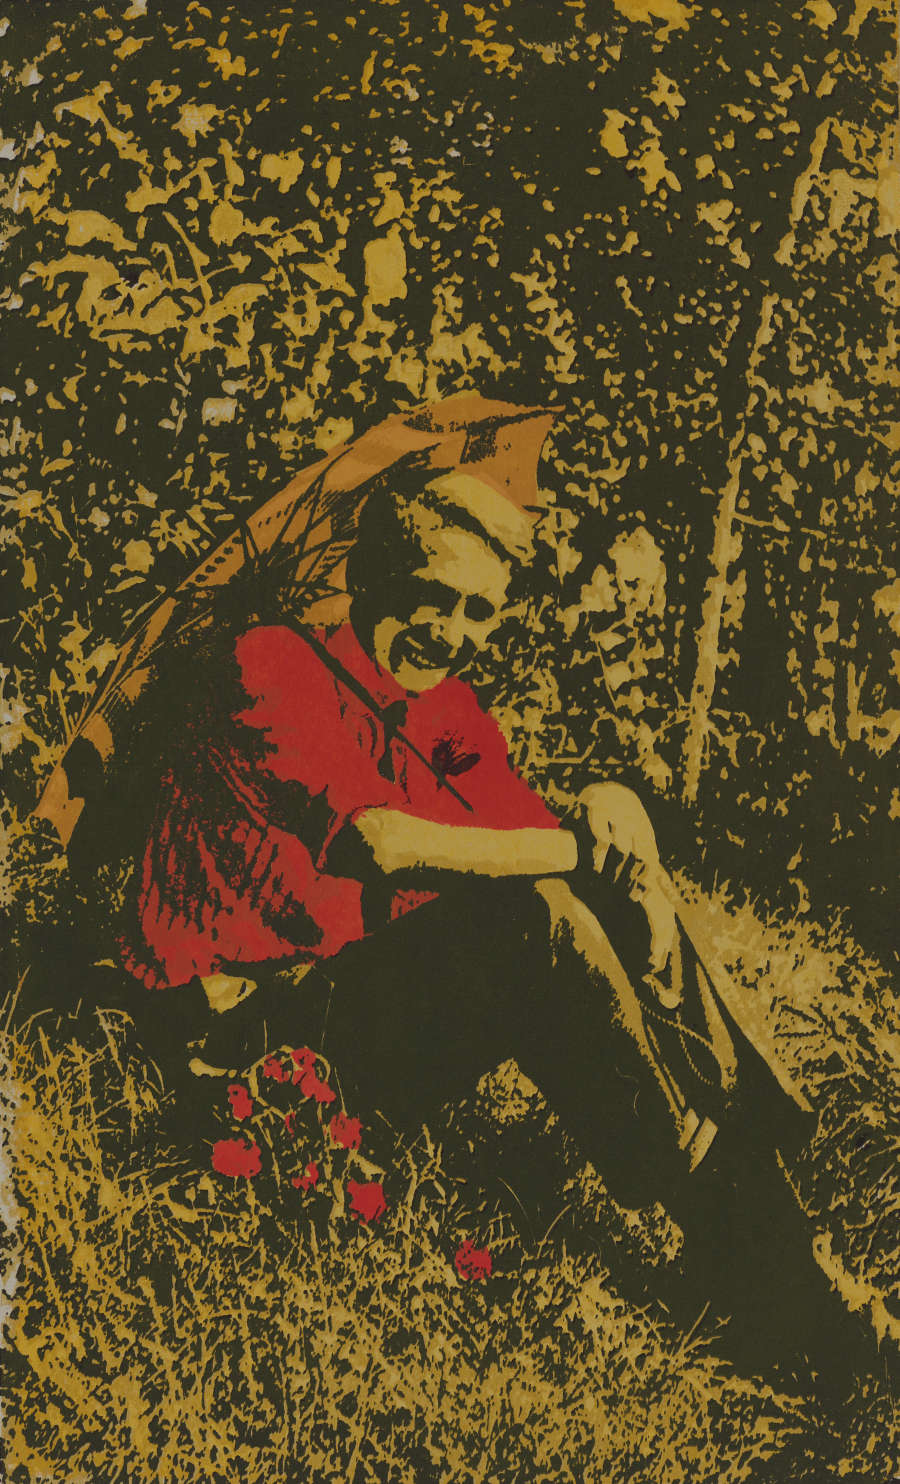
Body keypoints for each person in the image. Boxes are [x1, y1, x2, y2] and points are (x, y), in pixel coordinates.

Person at [30, 397, 879, 1388]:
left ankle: (762, 1235)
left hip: (351, 1015)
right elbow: (380, 845)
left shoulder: (447, 710)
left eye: (482, 612)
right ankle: (745, 1240)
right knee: (528, 915)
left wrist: (616, 816)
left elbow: (529, 833)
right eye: (434, 596)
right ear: (373, 573)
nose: (455, 631)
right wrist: (582, 850)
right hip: (237, 1038)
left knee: (584, 879)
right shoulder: (270, 662)